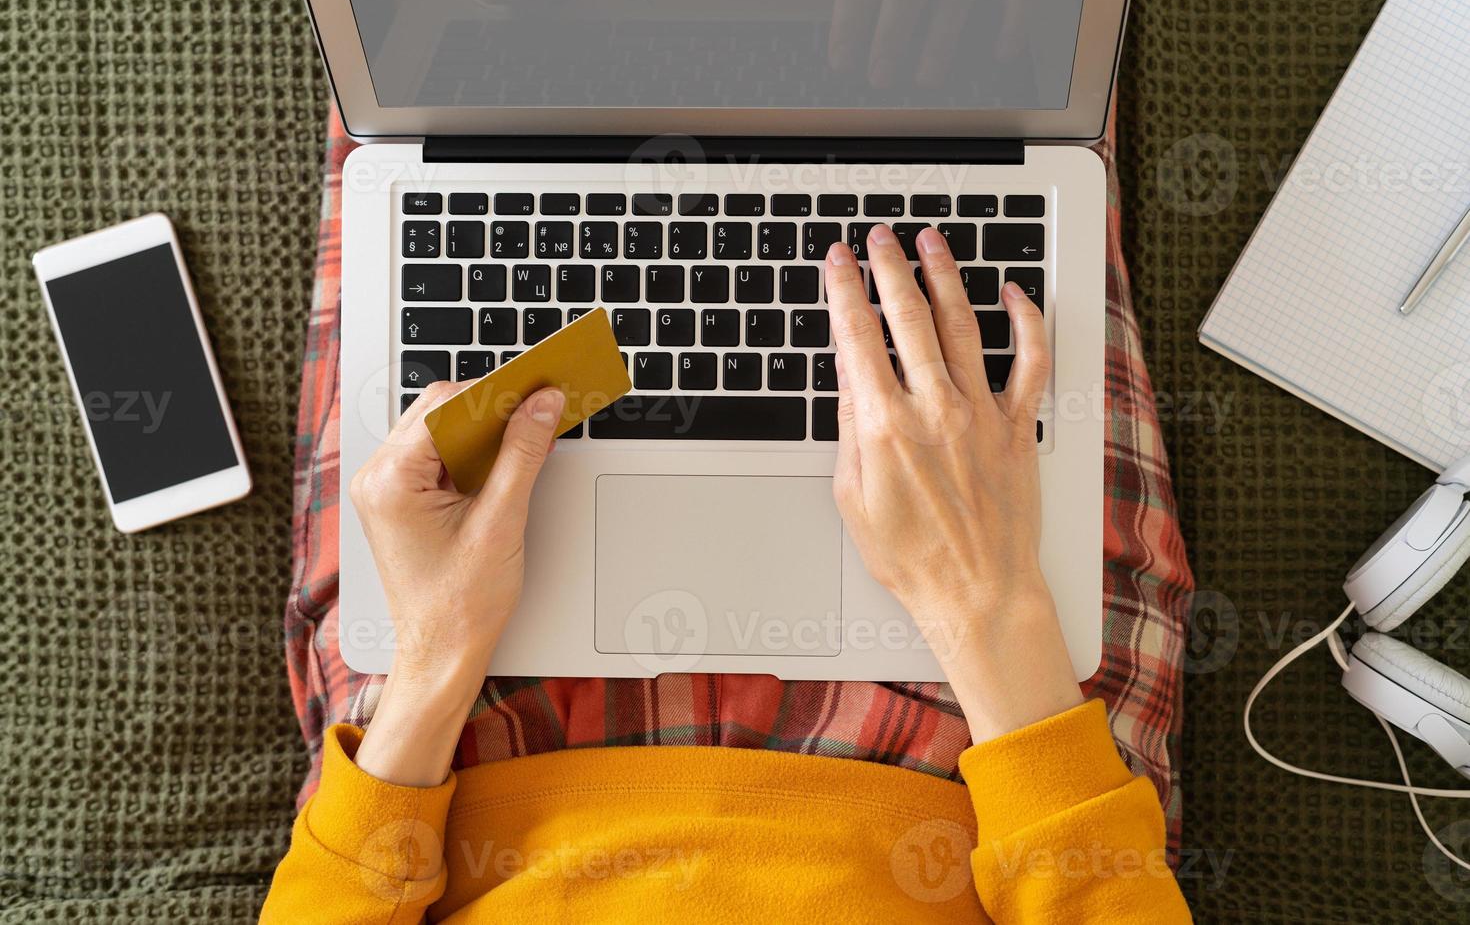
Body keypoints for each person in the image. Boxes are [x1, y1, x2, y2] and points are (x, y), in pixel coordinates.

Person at [261, 225, 1192, 922]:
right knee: (992, 139)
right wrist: (989, 606)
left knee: (446, 126)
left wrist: (430, 659)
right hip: (993, 757)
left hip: (461, 749)